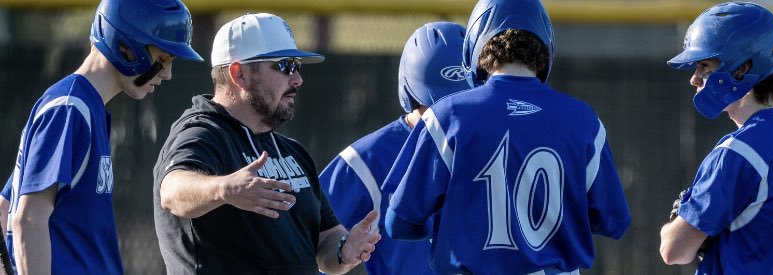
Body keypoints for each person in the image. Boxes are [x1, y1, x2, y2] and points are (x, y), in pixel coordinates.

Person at [382, 0, 631, 274]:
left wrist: (453, 220)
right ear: (545, 45)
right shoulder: (585, 121)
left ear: (476, 42)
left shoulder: (447, 116)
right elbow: (614, 221)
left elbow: (398, 221)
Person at [153, 13, 382, 274]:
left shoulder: (292, 152)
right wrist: (225, 189)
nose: (297, 80)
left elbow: (325, 242)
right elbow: (171, 192)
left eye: (297, 65)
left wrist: (344, 249)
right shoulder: (202, 131)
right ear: (239, 74)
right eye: (284, 66)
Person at [2, 0, 203, 273]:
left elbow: (5, 208)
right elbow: (26, 220)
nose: (167, 74)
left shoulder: (82, 106)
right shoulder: (70, 109)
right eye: (163, 59)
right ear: (126, 47)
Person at [659, 2, 773, 274]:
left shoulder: (738, 151)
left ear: (742, 68)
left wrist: (674, 224)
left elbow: (673, 251)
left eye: (705, 65)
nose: (694, 79)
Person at [319, 22, 469, 275]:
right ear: (411, 97)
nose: (448, 114)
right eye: (436, 105)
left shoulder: (494, 141)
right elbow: (310, 246)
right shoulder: (366, 159)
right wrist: (341, 253)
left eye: (461, 102)